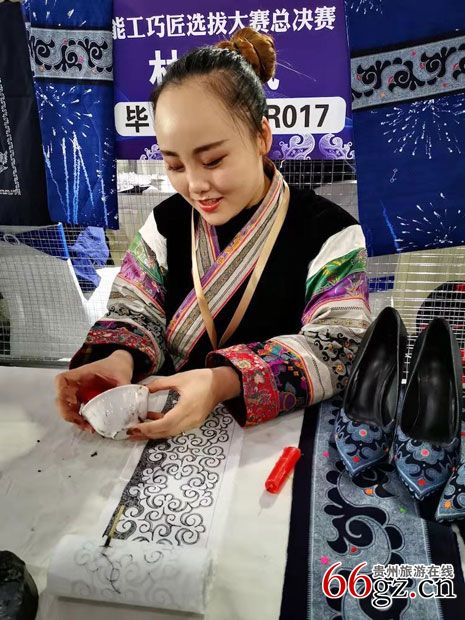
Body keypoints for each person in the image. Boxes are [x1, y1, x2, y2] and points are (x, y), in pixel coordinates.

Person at [55, 27, 371, 440]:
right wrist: (119, 360)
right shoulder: (165, 223)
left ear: (261, 137)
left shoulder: (331, 232)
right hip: (169, 426)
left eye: (213, 160)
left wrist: (223, 382)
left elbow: (341, 346)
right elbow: (135, 309)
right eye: (175, 165)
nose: (195, 185)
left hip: (278, 441)